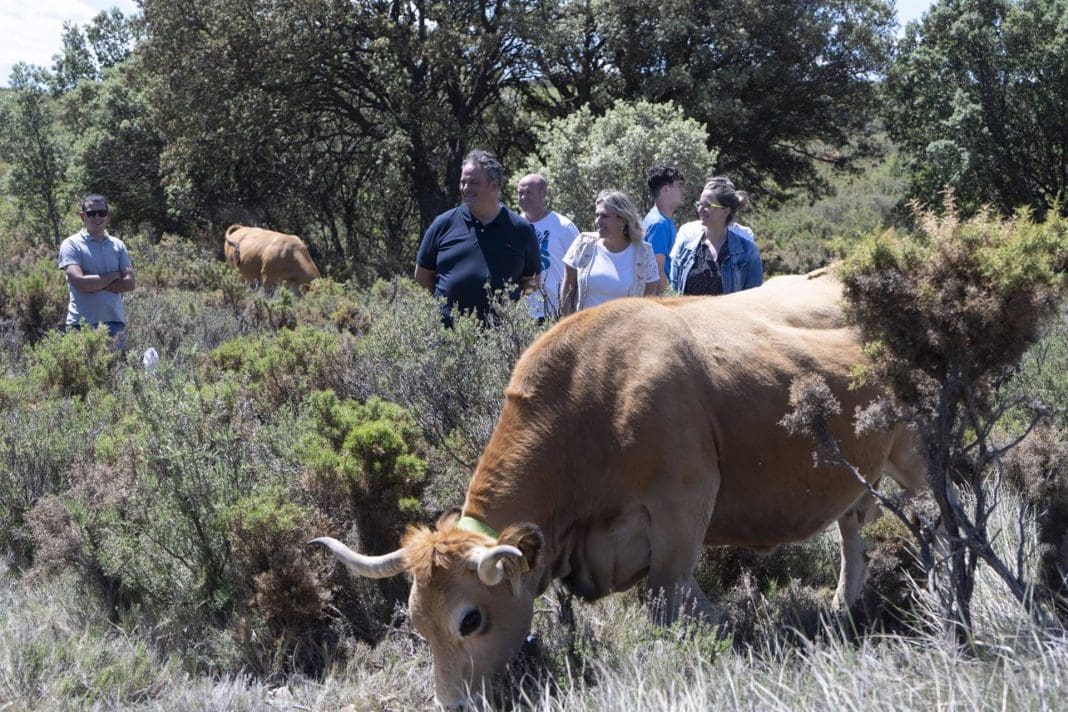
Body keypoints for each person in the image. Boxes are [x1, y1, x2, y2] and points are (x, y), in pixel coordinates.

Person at [415, 150, 540, 325]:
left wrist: (510, 310)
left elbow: (532, 280)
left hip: (501, 342)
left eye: (474, 183)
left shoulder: (521, 230)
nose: (466, 188)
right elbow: (422, 276)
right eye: (463, 182)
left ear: (494, 186)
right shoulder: (443, 225)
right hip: (447, 341)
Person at [559, 190, 659, 314]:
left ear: (623, 220)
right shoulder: (583, 243)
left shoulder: (644, 253)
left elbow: (649, 303)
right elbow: (568, 289)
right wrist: (569, 325)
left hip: (626, 331)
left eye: (604, 216)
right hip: (585, 330)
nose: (597, 221)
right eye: (597, 215)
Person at [57, 194, 136, 351]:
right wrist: (114, 275)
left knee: (113, 374)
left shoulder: (118, 245)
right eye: (91, 213)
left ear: (108, 215)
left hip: (114, 324)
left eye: (102, 212)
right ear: (82, 216)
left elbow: (130, 283)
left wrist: (95, 283)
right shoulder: (71, 244)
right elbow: (81, 283)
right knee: (81, 374)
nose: (97, 217)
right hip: (80, 326)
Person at [668, 181, 763, 295]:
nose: (700, 209)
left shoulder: (748, 252)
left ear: (725, 211)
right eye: (700, 204)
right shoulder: (685, 247)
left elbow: (753, 298)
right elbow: (674, 292)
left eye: (707, 205)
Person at [517, 173, 579, 321]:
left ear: (543, 194)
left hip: (556, 311)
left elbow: (579, 268)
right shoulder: (514, 225)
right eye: (520, 193)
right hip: (522, 316)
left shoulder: (563, 226)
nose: (523, 197)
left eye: (528, 192)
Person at [642, 165, 685, 295]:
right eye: (679, 186)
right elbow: (657, 272)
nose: (682, 191)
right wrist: (673, 301)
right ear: (666, 189)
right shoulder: (659, 224)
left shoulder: (660, 220)